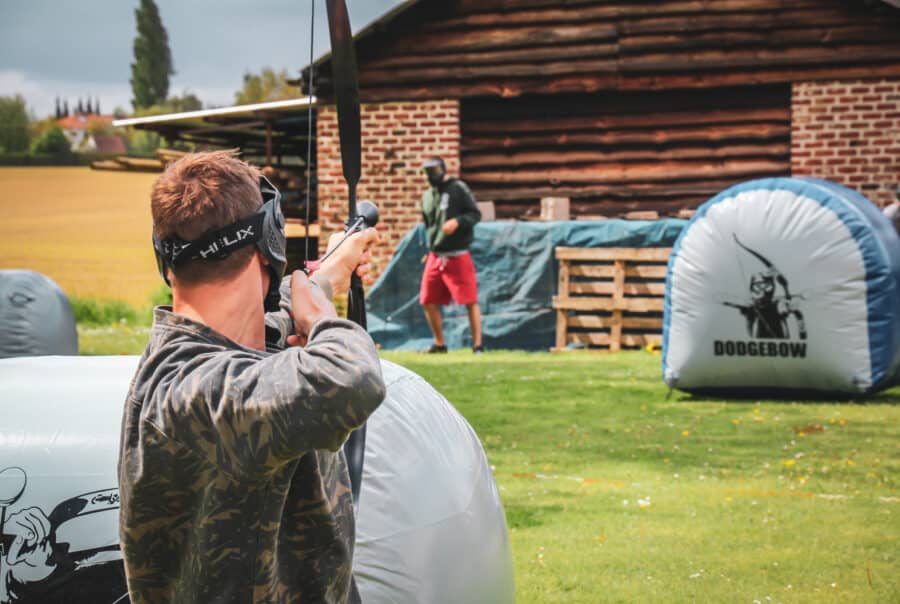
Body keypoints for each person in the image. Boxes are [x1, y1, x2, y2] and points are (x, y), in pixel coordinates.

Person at [118, 150, 385, 603]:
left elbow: (265, 330)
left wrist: (322, 279)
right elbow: (352, 378)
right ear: (270, 242)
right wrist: (321, 316)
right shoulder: (192, 392)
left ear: (164, 257)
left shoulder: (205, 361)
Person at [419, 157, 483, 353]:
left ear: (443, 169)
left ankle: (478, 345)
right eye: (428, 171)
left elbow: (475, 214)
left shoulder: (458, 188)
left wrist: (457, 222)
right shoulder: (427, 196)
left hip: (458, 254)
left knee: (470, 300)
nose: (432, 175)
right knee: (427, 300)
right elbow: (428, 225)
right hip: (436, 255)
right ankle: (440, 343)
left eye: (435, 170)